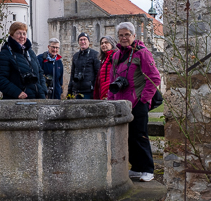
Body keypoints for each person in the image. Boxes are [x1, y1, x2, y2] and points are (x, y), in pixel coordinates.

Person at [108, 22, 161, 182]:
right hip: (122, 103)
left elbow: (154, 78)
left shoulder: (141, 53)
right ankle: (136, 168)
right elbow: (112, 79)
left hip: (137, 102)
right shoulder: (117, 55)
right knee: (127, 137)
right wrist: (111, 100)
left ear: (133, 36)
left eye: (127, 35)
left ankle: (148, 169)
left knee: (140, 136)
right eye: (121, 35)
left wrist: (144, 98)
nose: (124, 38)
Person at [0, 22, 47, 99]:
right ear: (12, 35)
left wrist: (43, 90)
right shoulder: (4, 55)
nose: (22, 36)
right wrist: (17, 93)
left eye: (24, 34)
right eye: (19, 33)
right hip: (18, 100)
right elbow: (0, 79)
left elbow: (40, 72)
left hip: (38, 98)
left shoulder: (30, 53)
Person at [67, 32, 100, 99]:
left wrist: (95, 90)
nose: (83, 41)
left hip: (89, 91)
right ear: (78, 42)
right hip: (76, 90)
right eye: (81, 40)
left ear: (88, 42)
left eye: (85, 39)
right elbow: (72, 74)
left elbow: (97, 73)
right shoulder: (76, 56)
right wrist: (69, 91)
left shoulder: (95, 55)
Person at [93, 36, 117, 100]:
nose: (103, 45)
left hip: (111, 92)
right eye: (102, 43)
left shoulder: (115, 56)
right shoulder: (104, 59)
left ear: (112, 44)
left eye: (106, 42)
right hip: (103, 92)